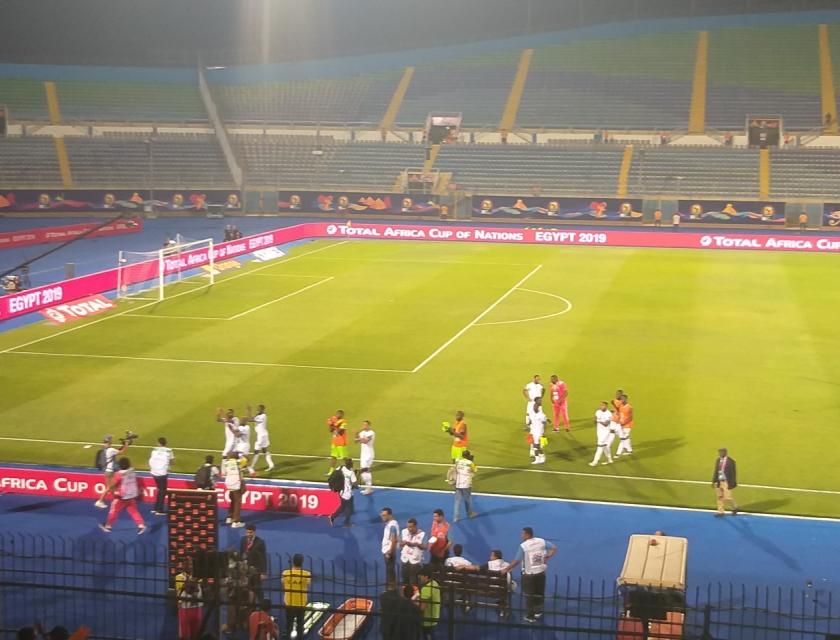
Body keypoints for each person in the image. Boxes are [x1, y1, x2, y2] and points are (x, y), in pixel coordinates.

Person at [502, 527, 556, 623]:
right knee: (539, 593)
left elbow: (516, 561)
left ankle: (531, 615)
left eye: (522, 534)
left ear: (527, 534)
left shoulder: (524, 546)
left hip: (529, 575)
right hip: (541, 572)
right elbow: (553, 547)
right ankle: (538, 611)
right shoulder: (541, 541)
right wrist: (548, 556)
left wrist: (507, 569)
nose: (521, 535)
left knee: (529, 595)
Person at [98, 457, 146, 534]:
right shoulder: (132, 472)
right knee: (133, 511)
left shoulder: (118, 475)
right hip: (131, 495)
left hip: (121, 497)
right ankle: (141, 525)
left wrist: (103, 497)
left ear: (120, 465)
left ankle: (107, 526)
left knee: (114, 510)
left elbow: (112, 486)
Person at [281, 554, 311, 640]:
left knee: (289, 625)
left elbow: (283, 582)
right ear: (302, 562)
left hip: (289, 602)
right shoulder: (306, 574)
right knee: (300, 625)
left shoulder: (285, 573)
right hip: (301, 603)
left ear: (293, 562)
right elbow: (308, 584)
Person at [94, 434, 128, 508]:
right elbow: (122, 452)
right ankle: (100, 501)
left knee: (111, 487)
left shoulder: (105, 450)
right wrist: (126, 444)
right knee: (110, 487)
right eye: (110, 442)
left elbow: (116, 451)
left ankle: (115, 501)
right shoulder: (111, 450)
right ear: (109, 443)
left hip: (107, 471)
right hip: (110, 472)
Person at [175, 557, 203, 640]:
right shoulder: (179, 577)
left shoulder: (198, 576)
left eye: (191, 564)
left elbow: (196, 587)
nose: (190, 566)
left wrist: (192, 584)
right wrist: (192, 584)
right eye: (187, 564)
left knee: (196, 633)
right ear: (183, 565)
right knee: (184, 635)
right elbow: (187, 589)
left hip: (197, 607)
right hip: (184, 607)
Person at [240, 524, 268, 600]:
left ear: (254, 532)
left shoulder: (260, 542)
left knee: (258, 589)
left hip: (256, 570)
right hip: (246, 570)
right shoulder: (243, 540)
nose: (249, 534)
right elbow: (241, 554)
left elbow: (263, 558)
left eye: (250, 532)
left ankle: (262, 607)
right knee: (247, 589)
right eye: (247, 532)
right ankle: (250, 608)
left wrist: (263, 572)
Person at [148, 436, 174, 515]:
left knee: (160, 490)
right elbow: (172, 461)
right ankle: (159, 510)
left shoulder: (154, 450)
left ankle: (156, 509)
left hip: (154, 473)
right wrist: (169, 467)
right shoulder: (169, 451)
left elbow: (152, 460)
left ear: (159, 443)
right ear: (165, 443)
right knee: (162, 491)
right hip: (162, 473)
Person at [328, 458, 356, 527]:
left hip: (340, 491)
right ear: (351, 465)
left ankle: (332, 517)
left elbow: (335, 473)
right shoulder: (351, 473)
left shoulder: (341, 467)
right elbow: (354, 483)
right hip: (348, 494)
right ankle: (346, 523)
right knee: (349, 508)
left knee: (343, 506)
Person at [246, 404, 274, 475]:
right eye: (257, 408)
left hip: (261, 436)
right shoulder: (259, 415)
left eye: (259, 409)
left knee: (256, 452)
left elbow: (250, 419)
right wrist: (252, 413)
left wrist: (248, 411)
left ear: (263, 409)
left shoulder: (263, 416)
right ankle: (271, 465)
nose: (257, 410)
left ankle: (251, 467)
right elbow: (253, 418)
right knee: (264, 450)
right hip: (264, 434)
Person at [222, 452, 247, 528]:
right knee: (237, 502)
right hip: (236, 482)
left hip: (228, 482)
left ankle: (230, 517)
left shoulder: (226, 462)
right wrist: (241, 455)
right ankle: (236, 521)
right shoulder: (238, 462)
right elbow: (246, 460)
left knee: (232, 500)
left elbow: (223, 472)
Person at [399, 518, 426, 586]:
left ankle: (413, 596)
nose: (409, 529)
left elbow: (425, 547)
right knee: (404, 581)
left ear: (415, 526)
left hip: (415, 562)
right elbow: (400, 544)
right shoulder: (404, 532)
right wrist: (403, 543)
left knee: (413, 582)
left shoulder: (423, 534)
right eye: (408, 527)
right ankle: (405, 595)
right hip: (405, 560)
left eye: (411, 527)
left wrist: (416, 544)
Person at [452, 450, 477, 522]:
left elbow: (455, 469)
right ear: (468, 456)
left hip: (458, 483)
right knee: (467, 500)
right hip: (466, 484)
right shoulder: (470, 463)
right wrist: (472, 461)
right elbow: (475, 470)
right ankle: (470, 514)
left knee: (457, 501)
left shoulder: (458, 461)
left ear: (462, 455)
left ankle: (456, 518)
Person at [712, 448, 738, 517]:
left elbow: (733, 473)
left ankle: (735, 507)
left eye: (721, 453)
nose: (720, 454)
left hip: (727, 481)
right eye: (719, 453)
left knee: (727, 497)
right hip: (719, 481)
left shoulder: (731, 461)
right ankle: (720, 512)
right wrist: (713, 481)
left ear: (725, 453)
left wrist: (732, 483)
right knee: (719, 496)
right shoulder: (718, 460)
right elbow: (716, 471)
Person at [416, 568, 441, 639]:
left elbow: (422, 608)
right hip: (435, 616)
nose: (419, 580)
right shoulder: (435, 583)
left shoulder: (426, 589)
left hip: (426, 620)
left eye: (420, 577)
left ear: (426, 577)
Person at [589, 401, 614, 466]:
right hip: (599, 432)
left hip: (606, 432)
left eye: (603, 406)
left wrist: (598, 420)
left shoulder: (609, 414)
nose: (602, 406)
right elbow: (594, 419)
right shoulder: (598, 412)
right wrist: (595, 420)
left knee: (600, 446)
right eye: (601, 405)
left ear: (606, 406)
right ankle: (609, 459)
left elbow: (606, 424)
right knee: (605, 446)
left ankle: (595, 461)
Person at [380, 507, 400, 585]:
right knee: (390, 570)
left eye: (384, 515)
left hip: (389, 552)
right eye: (382, 515)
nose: (382, 517)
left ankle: (391, 588)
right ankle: (391, 586)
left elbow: (394, 539)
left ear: (390, 515)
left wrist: (390, 552)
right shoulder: (390, 524)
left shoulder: (392, 526)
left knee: (390, 571)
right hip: (388, 550)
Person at [355, 420, 375, 495]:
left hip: (369, 454)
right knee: (366, 471)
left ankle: (368, 488)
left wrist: (359, 439)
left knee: (364, 470)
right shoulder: (362, 433)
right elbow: (355, 441)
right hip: (363, 454)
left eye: (366, 425)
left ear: (369, 425)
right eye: (363, 425)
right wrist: (356, 435)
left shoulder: (371, 433)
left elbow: (365, 441)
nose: (364, 426)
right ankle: (369, 488)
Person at [326, 410, 348, 477]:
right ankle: (331, 471)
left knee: (344, 458)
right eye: (337, 414)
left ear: (342, 415)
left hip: (341, 443)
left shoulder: (344, 422)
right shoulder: (335, 420)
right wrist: (331, 425)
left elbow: (340, 432)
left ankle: (349, 470)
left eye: (339, 414)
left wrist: (333, 424)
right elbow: (330, 430)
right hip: (334, 442)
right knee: (333, 456)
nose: (338, 415)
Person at [527, 398, 548, 465]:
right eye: (534, 406)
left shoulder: (541, 415)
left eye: (536, 406)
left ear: (538, 407)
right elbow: (530, 421)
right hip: (532, 431)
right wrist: (528, 424)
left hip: (538, 432)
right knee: (534, 445)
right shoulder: (531, 413)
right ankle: (539, 458)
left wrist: (543, 433)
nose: (535, 407)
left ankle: (540, 457)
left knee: (536, 445)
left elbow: (545, 423)